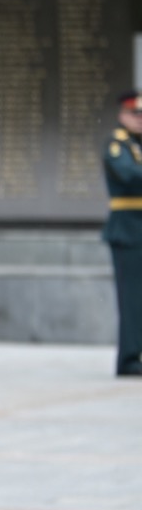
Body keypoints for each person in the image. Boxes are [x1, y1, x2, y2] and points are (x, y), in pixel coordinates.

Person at [104, 90, 142, 377]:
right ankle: (129, 359)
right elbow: (129, 175)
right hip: (128, 229)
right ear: (122, 115)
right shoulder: (117, 145)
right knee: (131, 298)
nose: (139, 120)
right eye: (135, 114)